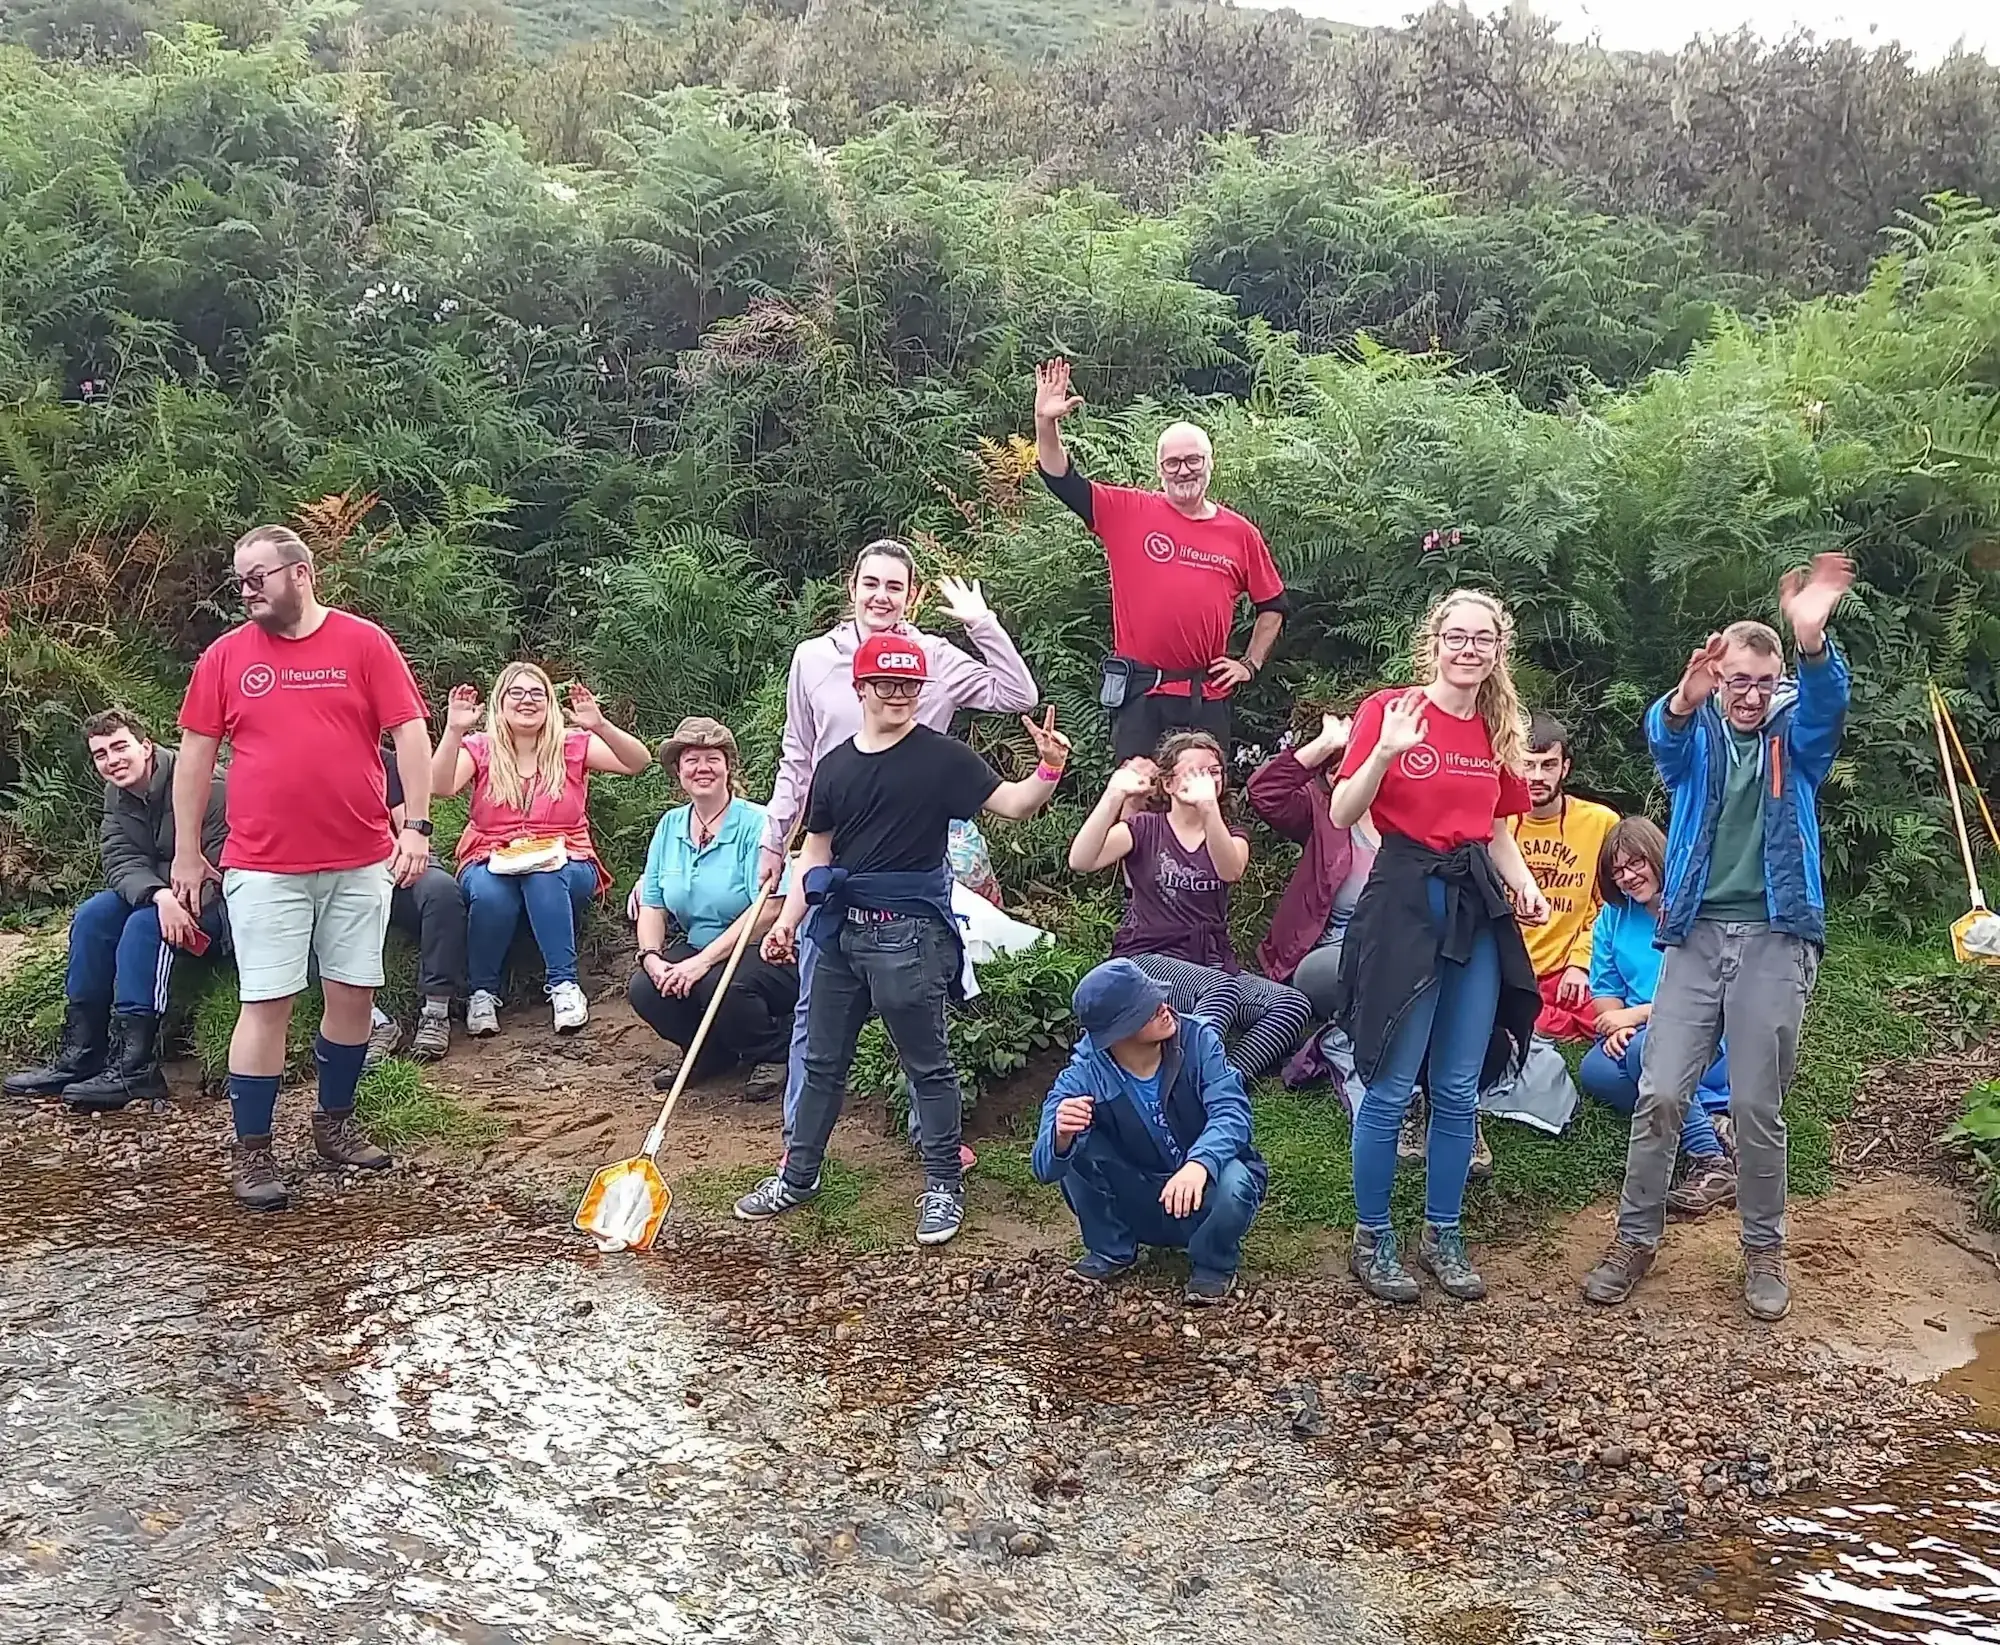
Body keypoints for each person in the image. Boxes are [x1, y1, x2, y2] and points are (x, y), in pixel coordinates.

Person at [1584, 555, 1855, 1323]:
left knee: (1756, 1102)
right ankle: (1635, 1240)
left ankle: (1763, 1250)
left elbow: (1828, 705)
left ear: (1777, 683)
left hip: (1775, 934)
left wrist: (1810, 638)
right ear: (1718, 673)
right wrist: (1681, 699)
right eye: (1737, 680)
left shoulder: (1795, 734)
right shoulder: (1696, 730)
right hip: (1696, 935)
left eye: (1762, 683)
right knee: (1661, 1089)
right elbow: (1661, 744)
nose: (1748, 696)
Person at [733, 635, 1070, 1246]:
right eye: (885, 684)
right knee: (818, 1060)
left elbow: (1016, 806)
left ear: (922, 690)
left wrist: (1047, 767)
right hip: (835, 932)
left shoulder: (944, 758)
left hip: (908, 936)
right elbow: (817, 851)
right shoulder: (833, 764)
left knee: (927, 1063)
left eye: (909, 685)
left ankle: (943, 1185)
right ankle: (798, 1175)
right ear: (859, 688)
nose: (897, 694)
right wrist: (788, 920)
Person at [171, 524, 434, 1211]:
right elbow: (196, 757)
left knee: (352, 995)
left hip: (359, 856)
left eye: (258, 576)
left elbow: (409, 731)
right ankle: (253, 1150)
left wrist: (418, 826)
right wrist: (187, 849)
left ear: (302, 573)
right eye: (240, 581)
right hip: (262, 863)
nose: (247, 590)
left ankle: (333, 1122)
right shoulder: (226, 658)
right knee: (267, 1002)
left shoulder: (363, 642)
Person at [761, 541, 1038, 1168]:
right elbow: (797, 756)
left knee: (915, 1002)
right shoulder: (812, 659)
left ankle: (930, 1137)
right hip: (829, 856)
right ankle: (796, 1152)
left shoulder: (935, 657)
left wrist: (980, 621)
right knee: (817, 1011)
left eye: (895, 586)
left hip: (913, 853)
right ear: (851, 586)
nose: (881, 596)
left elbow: (1017, 696)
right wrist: (775, 840)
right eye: (871, 583)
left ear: (911, 596)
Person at [1331, 589, 1551, 1305]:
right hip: (1404, 898)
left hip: (1476, 903)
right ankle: (1373, 1235)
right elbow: (1343, 810)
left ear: (1497, 650)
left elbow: (1497, 832)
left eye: (1482, 639)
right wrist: (1385, 753)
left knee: (1458, 1088)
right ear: (1434, 643)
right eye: (1456, 636)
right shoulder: (1390, 711)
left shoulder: (1500, 727)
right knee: (1392, 1085)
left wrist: (1527, 887)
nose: (1468, 649)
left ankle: (1443, 1233)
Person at [1032, 358, 1287, 761]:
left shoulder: (1240, 533)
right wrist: (1047, 424)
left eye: (1193, 460)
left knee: (1203, 801)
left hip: (1207, 695)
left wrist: (1250, 664)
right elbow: (1062, 480)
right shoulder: (1126, 511)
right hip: (1142, 696)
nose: (1183, 471)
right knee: (1134, 796)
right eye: (1173, 463)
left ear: (1209, 463)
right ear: (1159, 469)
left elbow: (1273, 606)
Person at [5, 710, 229, 1109]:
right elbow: (120, 858)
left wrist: (168, 902)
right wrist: (160, 895)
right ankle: (82, 1053)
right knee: (93, 916)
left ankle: (136, 1067)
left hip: (222, 904)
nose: (112, 760)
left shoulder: (208, 786)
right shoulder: (119, 793)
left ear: (146, 747)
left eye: (120, 747)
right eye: (101, 754)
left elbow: (220, 866)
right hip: (166, 892)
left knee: (145, 927)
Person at [1068, 733, 1312, 1080]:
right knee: (1219, 988)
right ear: (1167, 783)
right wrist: (1115, 794)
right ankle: (1195, 1075)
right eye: (1194, 771)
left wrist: (1209, 809)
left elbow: (1230, 870)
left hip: (1210, 962)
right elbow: (1081, 859)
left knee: (1291, 1005)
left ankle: (1226, 1078)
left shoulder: (1231, 834)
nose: (1207, 780)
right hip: (1148, 958)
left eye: (1214, 771)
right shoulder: (1144, 828)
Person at [431, 664, 652, 1037]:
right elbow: (440, 786)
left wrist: (599, 725)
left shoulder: (572, 744)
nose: (527, 701)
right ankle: (482, 993)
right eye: (516, 693)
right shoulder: (481, 748)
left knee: (544, 876)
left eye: (537, 693)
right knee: (489, 892)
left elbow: (638, 762)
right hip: (490, 855)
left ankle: (564, 986)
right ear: (500, 704)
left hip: (567, 857)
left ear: (550, 703)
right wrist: (454, 730)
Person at [1031, 958, 1268, 1305]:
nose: (1165, 1008)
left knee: (1236, 1179)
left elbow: (1232, 1113)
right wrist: (1061, 1135)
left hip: (1206, 1193)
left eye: (1158, 997)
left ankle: (1213, 1265)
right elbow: (1043, 1168)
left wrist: (1198, 1164)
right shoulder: (1083, 1075)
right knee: (1075, 1145)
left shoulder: (1199, 1039)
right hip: (1140, 1198)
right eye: (1148, 1007)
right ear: (1118, 1029)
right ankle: (1112, 1251)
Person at [1579, 817, 1737, 1218]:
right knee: (1595, 1071)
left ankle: (1709, 1161)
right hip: (1637, 1039)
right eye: (1618, 871)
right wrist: (1619, 1022)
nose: (1629, 877)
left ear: (1657, 857)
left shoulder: (1699, 908)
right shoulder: (1614, 917)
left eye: (1636, 863)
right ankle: (1713, 1122)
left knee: (1653, 1050)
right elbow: (1605, 993)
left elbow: (1715, 994)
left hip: (1705, 1036)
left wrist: (1634, 1018)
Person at [629, 716, 797, 1093]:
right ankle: (707, 1053)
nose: (702, 768)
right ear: (678, 770)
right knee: (645, 988)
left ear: (728, 767)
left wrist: (701, 962)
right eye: (691, 759)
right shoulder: (669, 826)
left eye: (712, 759)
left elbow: (769, 908)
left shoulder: (759, 823)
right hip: (699, 944)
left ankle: (774, 1051)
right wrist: (652, 957)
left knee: (719, 982)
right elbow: (653, 903)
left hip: (766, 950)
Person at [1247, 710, 1375, 1015]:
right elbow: (1264, 792)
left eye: (1352, 766)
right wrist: (1325, 743)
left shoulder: (1409, 817)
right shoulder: (1321, 812)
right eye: (1333, 770)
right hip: (1331, 952)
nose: (1343, 776)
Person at [1506, 714, 1619, 1042]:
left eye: (1548, 765)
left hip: (1570, 971)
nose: (1537, 776)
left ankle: (1549, 1023)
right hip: (1512, 971)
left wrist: (1581, 962)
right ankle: (1545, 1023)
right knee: (1519, 1015)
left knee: (1608, 1017)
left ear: (1565, 768)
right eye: (1528, 765)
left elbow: (1609, 906)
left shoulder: (1600, 823)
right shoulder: (1496, 825)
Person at [363, 742, 469, 1067]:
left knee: (441, 892)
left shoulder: (381, 759)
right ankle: (374, 1023)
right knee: (301, 916)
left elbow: (403, 824)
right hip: (333, 875)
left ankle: (436, 1012)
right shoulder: (294, 766)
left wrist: (401, 853)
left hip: (390, 862)